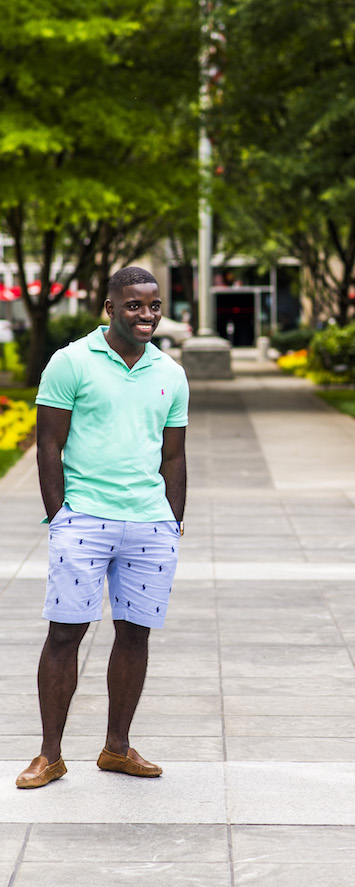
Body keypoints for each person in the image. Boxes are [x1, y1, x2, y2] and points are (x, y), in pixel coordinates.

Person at [16, 267, 189, 789]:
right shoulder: (70, 363)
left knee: (134, 635)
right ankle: (50, 754)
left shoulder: (170, 372)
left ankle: (117, 747)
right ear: (110, 308)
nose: (147, 315)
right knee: (65, 633)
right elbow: (48, 445)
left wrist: (173, 521)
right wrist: (59, 513)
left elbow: (174, 456)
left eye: (154, 305)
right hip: (85, 517)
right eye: (134, 306)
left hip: (150, 522)